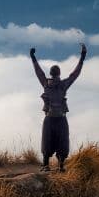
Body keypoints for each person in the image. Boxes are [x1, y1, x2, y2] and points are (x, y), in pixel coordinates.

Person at [30, 43, 87, 172]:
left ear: (50, 73)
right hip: (61, 118)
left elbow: (38, 72)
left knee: (47, 141)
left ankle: (46, 165)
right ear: (59, 74)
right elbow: (75, 74)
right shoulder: (63, 85)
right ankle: (60, 166)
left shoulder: (46, 84)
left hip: (49, 118)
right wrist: (82, 57)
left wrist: (33, 58)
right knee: (62, 142)